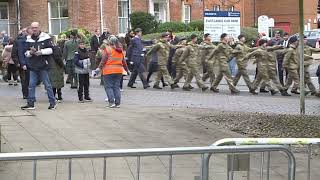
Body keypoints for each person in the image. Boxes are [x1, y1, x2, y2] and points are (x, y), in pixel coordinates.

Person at [21, 22, 56, 110]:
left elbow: (51, 50)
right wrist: (31, 52)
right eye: (33, 28)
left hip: (43, 65)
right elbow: (26, 53)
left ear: (39, 27)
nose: (34, 29)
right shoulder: (28, 39)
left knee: (47, 85)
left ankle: (52, 103)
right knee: (31, 85)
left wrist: (42, 52)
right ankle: (31, 103)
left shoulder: (46, 37)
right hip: (33, 65)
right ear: (31, 28)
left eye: (36, 27)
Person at [97, 36, 128, 108]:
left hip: (108, 71)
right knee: (116, 87)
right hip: (119, 71)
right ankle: (118, 103)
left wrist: (99, 68)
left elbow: (103, 61)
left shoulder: (107, 49)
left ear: (109, 42)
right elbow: (124, 61)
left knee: (108, 87)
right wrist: (126, 70)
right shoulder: (120, 50)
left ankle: (111, 102)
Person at [12, 27, 31, 99]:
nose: (25, 32)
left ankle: (29, 94)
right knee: (24, 80)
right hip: (21, 64)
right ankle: (25, 94)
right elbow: (14, 53)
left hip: (30, 63)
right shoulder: (18, 41)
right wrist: (17, 63)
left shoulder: (30, 40)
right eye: (24, 31)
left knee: (29, 79)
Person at [48, 36, 65, 102]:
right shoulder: (56, 48)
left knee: (53, 82)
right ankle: (59, 96)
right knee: (58, 82)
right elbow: (58, 58)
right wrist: (62, 65)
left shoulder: (48, 48)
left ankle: (54, 96)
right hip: (57, 66)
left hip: (51, 66)